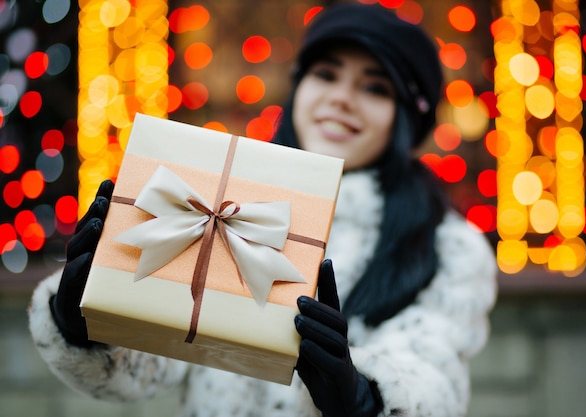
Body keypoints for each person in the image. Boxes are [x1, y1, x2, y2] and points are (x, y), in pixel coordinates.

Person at [29, 3, 497, 416]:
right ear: (299, 86)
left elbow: (434, 373)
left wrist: (360, 397)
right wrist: (83, 323)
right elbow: (154, 363)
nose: (341, 98)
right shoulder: (227, 198)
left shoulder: (448, 245)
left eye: (375, 88)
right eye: (326, 74)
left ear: (406, 118)